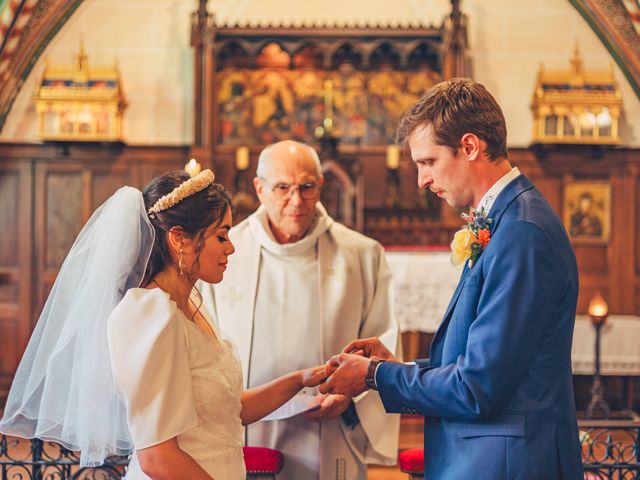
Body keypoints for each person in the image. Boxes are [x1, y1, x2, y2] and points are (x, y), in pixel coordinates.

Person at [320, 78, 584, 479]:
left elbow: (478, 386)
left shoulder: (522, 233)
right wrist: (397, 365)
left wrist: (374, 376)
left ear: (470, 146)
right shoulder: (505, 221)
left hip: (507, 463)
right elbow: (482, 361)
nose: (422, 181)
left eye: (428, 162)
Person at [0, 169, 327, 479]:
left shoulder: (190, 307)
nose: (231, 248)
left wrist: (301, 379)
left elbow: (229, 409)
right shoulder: (148, 316)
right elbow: (157, 457)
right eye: (221, 236)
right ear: (180, 238)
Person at [199, 140, 400, 479]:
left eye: (307, 187)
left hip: (330, 423)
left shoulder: (362, 254)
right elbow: (203, 343)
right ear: (260, 189)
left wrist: (352, 396)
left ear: (321, 186)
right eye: (283, 188)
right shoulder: (224, 252)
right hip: (246, 425)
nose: (296, 200)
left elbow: (383, 340)